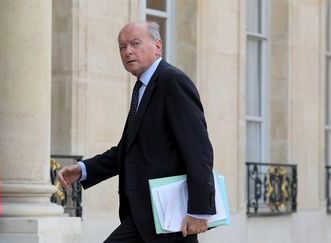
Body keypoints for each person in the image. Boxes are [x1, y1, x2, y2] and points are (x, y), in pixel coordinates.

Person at [58, 21, 215, 243]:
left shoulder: (172, 81)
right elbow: (126, 151)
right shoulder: (143, 87)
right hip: (144, 216)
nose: (128, 51)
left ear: (157, 46)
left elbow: (199, 150)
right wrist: (83, 170)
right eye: (122, 47)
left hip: (168, 217)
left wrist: (200, 210)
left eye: (135, 43)